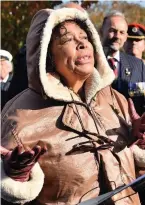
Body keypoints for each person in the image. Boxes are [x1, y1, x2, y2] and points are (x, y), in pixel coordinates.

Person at [1, 8, 145, 205]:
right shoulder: (19, 116)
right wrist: (16, 177)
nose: (82, 43)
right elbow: (9, 194)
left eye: (85, 37)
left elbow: (133, 171)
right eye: (67, 39)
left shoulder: (114, 98)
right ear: (47, 55)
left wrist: (137, 139)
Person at [100, 11, 145, 116]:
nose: (117, 36)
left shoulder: (138, 65)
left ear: (125, 37)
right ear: (101, 31)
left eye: (122, 32)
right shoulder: (89, 61)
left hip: (131, 129)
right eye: (112, 31)